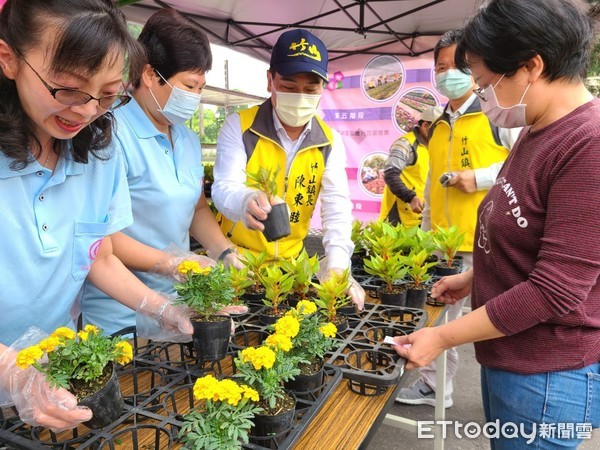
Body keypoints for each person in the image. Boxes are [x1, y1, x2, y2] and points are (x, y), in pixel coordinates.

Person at [393, 0, 600, 447]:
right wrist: (474, 275)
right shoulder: (537, 127)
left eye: (486, 82)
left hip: (546, 374)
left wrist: (442, 337)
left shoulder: (588, 144)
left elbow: (555, 289)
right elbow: (527, 236)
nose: (483, 94)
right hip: (512, 358)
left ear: (531, 67)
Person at [0, 0, 193, 431]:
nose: (86, 111)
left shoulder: (97, 152)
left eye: (108, 95)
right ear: (9, 58)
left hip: (56, 382)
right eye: (67, 89)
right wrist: (10, 370)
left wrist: (160, 307)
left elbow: (99, 257)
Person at [78, 8, 242, 335]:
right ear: (151, 75)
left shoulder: (187, 138)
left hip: (181, 300)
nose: (195, 97)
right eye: (189, 86)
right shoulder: (109, 134)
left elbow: (195, 206)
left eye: (201, 87)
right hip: (121, 313)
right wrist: (175, 264)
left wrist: (224, 252)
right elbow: (101, 238)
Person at [395, 29, 521, 408]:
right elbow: (433, 187)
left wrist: (478, 178)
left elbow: (526, 167)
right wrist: (425, 233)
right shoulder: (436, 125)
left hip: (486, 241)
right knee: (440, 319)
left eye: (458, 66)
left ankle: (509, 396)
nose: (448, 73)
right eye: (441, 67)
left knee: (499, 321)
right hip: (443, 243)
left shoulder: (499, 114)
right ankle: (438, 388)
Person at [212, 28, 364, 308]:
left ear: (323, 87)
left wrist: (339, 267)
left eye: (310, 89)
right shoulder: (240, 126)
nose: (300, 96)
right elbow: (224, 187)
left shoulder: (330, 142)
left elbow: (337, 208)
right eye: (290, 87)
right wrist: (245, 201)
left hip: (292, 267)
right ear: (270, 80)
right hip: (239, 262)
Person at [379, 105, 443, 227]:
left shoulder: (436, 146)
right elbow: (390, 174)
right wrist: (411, 197)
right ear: (425, 126)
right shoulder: (405, 144)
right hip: (399, 216)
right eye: (438, 129)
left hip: (423, 215)